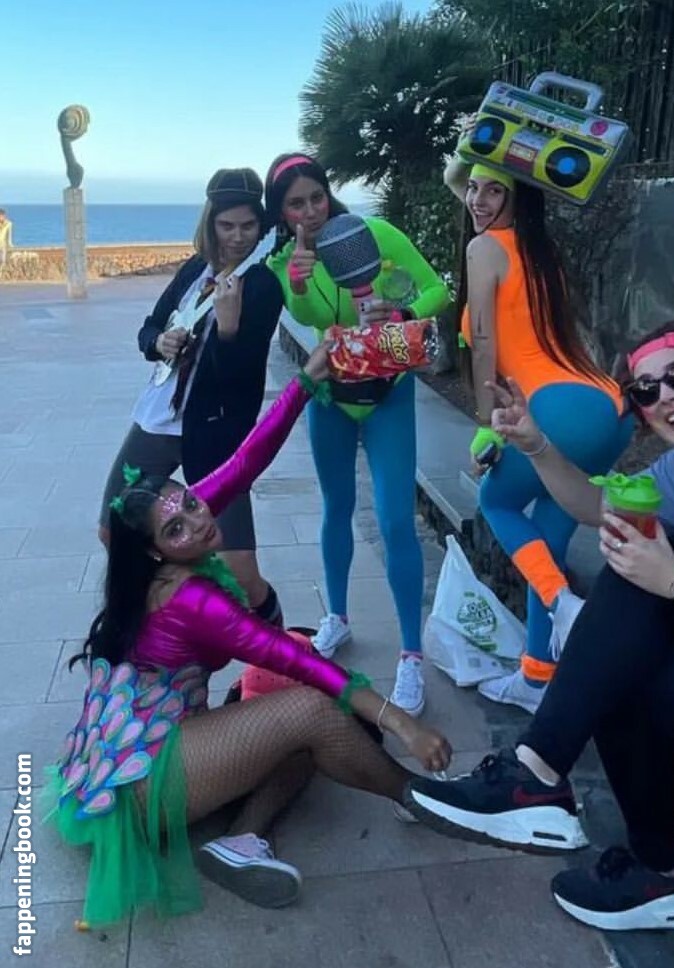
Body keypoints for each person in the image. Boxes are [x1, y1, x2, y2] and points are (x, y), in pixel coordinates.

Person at [402, 319, 674, 932]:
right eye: (645, 391)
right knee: (625, 614)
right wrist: (536, 445)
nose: (665, 397)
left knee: (631, 641)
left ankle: (637, 854)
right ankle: (548, 781)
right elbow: (597, 506)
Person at [46, 342, 452, 928]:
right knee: (312, 705)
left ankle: (241, 840)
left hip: (148, 745)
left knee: (308, 725)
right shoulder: (190, 598)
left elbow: (245, 462)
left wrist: (305, 381)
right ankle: (426, 800)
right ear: (156, 551)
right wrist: (401, 722)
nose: (197, 521)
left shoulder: (173, 540)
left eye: (190, 503)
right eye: (176, 528)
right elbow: (289, 657)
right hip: (141, 783)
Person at [442, 154, 633, 713]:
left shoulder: (484, 247)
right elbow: (462, 181)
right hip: (608, 408)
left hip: (556, 409)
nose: (476, 200)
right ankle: (537, 675)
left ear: (516, 197)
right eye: (473, 189)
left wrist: (488, 426)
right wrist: (484, 147)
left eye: (492, 191)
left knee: (495, 500)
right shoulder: (538, 250)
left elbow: (483, 341)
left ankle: (564, 606)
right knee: (545, 542)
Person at [265, 152, 451, 716]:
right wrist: (298, 280)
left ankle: (411, 655)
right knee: (336, 507)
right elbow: (306, 315)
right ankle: (337, 618)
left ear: (328, 194)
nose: (309, 211)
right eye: (295, 204)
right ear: (280, 211)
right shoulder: (283, 259)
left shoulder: (373, 234)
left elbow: (436, 290)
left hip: (389, 392)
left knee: (395, 520)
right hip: (332, 395)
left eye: (316, 197)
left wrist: (398, 316)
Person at [99, 169, 286, 627]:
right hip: (160, 420)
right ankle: (162, 620)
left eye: (248, 226)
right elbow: (149, 327)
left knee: (240, 570)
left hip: (217, 434)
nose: (238, 237)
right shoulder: (193, 271)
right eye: (227, 225)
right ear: (210, 223)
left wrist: (228, 328)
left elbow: (241, 376)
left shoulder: (262, 285)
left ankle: (277, 646)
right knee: (114, 528)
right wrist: (159, 341)